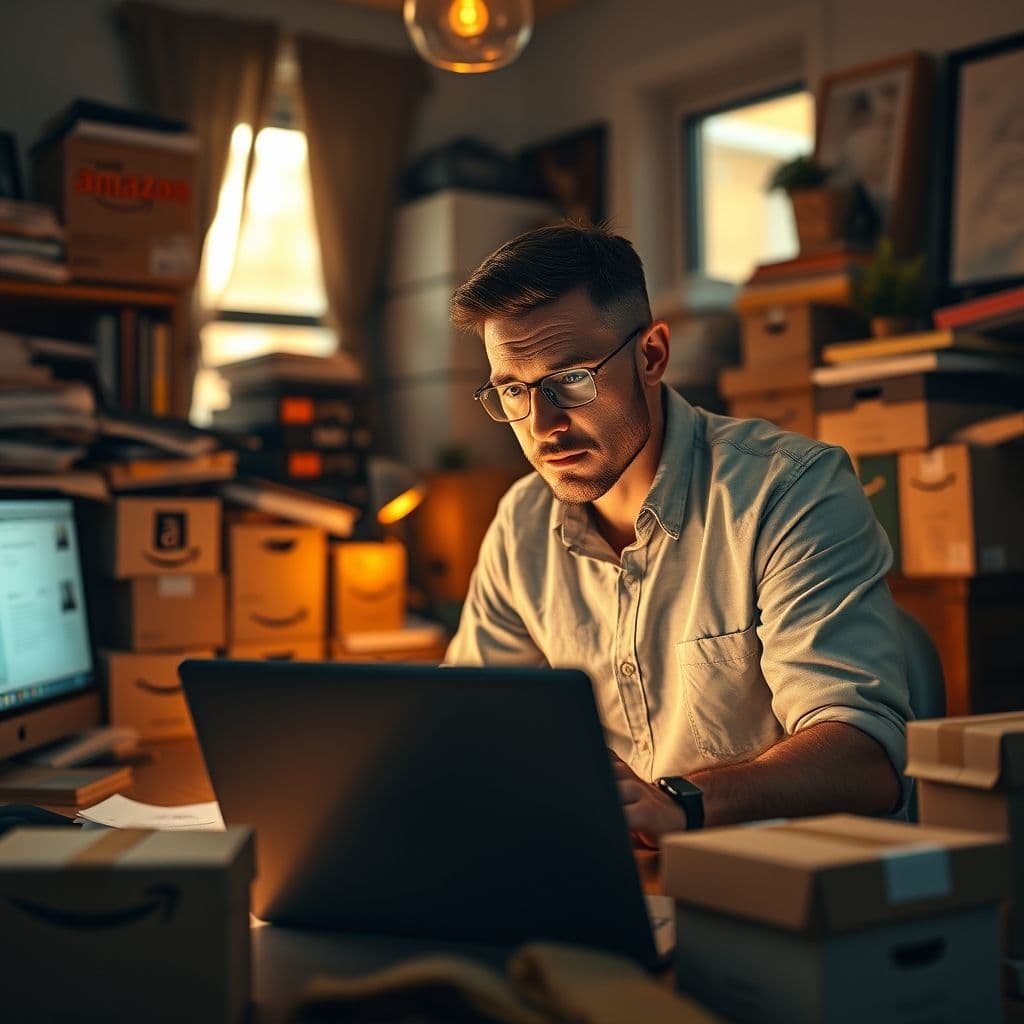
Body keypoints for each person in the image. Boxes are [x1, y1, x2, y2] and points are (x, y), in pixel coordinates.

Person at [443, 222, 911, 848]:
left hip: (792, 889)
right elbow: (472, 728)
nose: (542, 424)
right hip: (622, 888)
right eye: (512, 391)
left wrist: (680, 804)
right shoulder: (521, 525)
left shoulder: (790, 490)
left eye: (572, 380)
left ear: (652, 356)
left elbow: (867, 759)